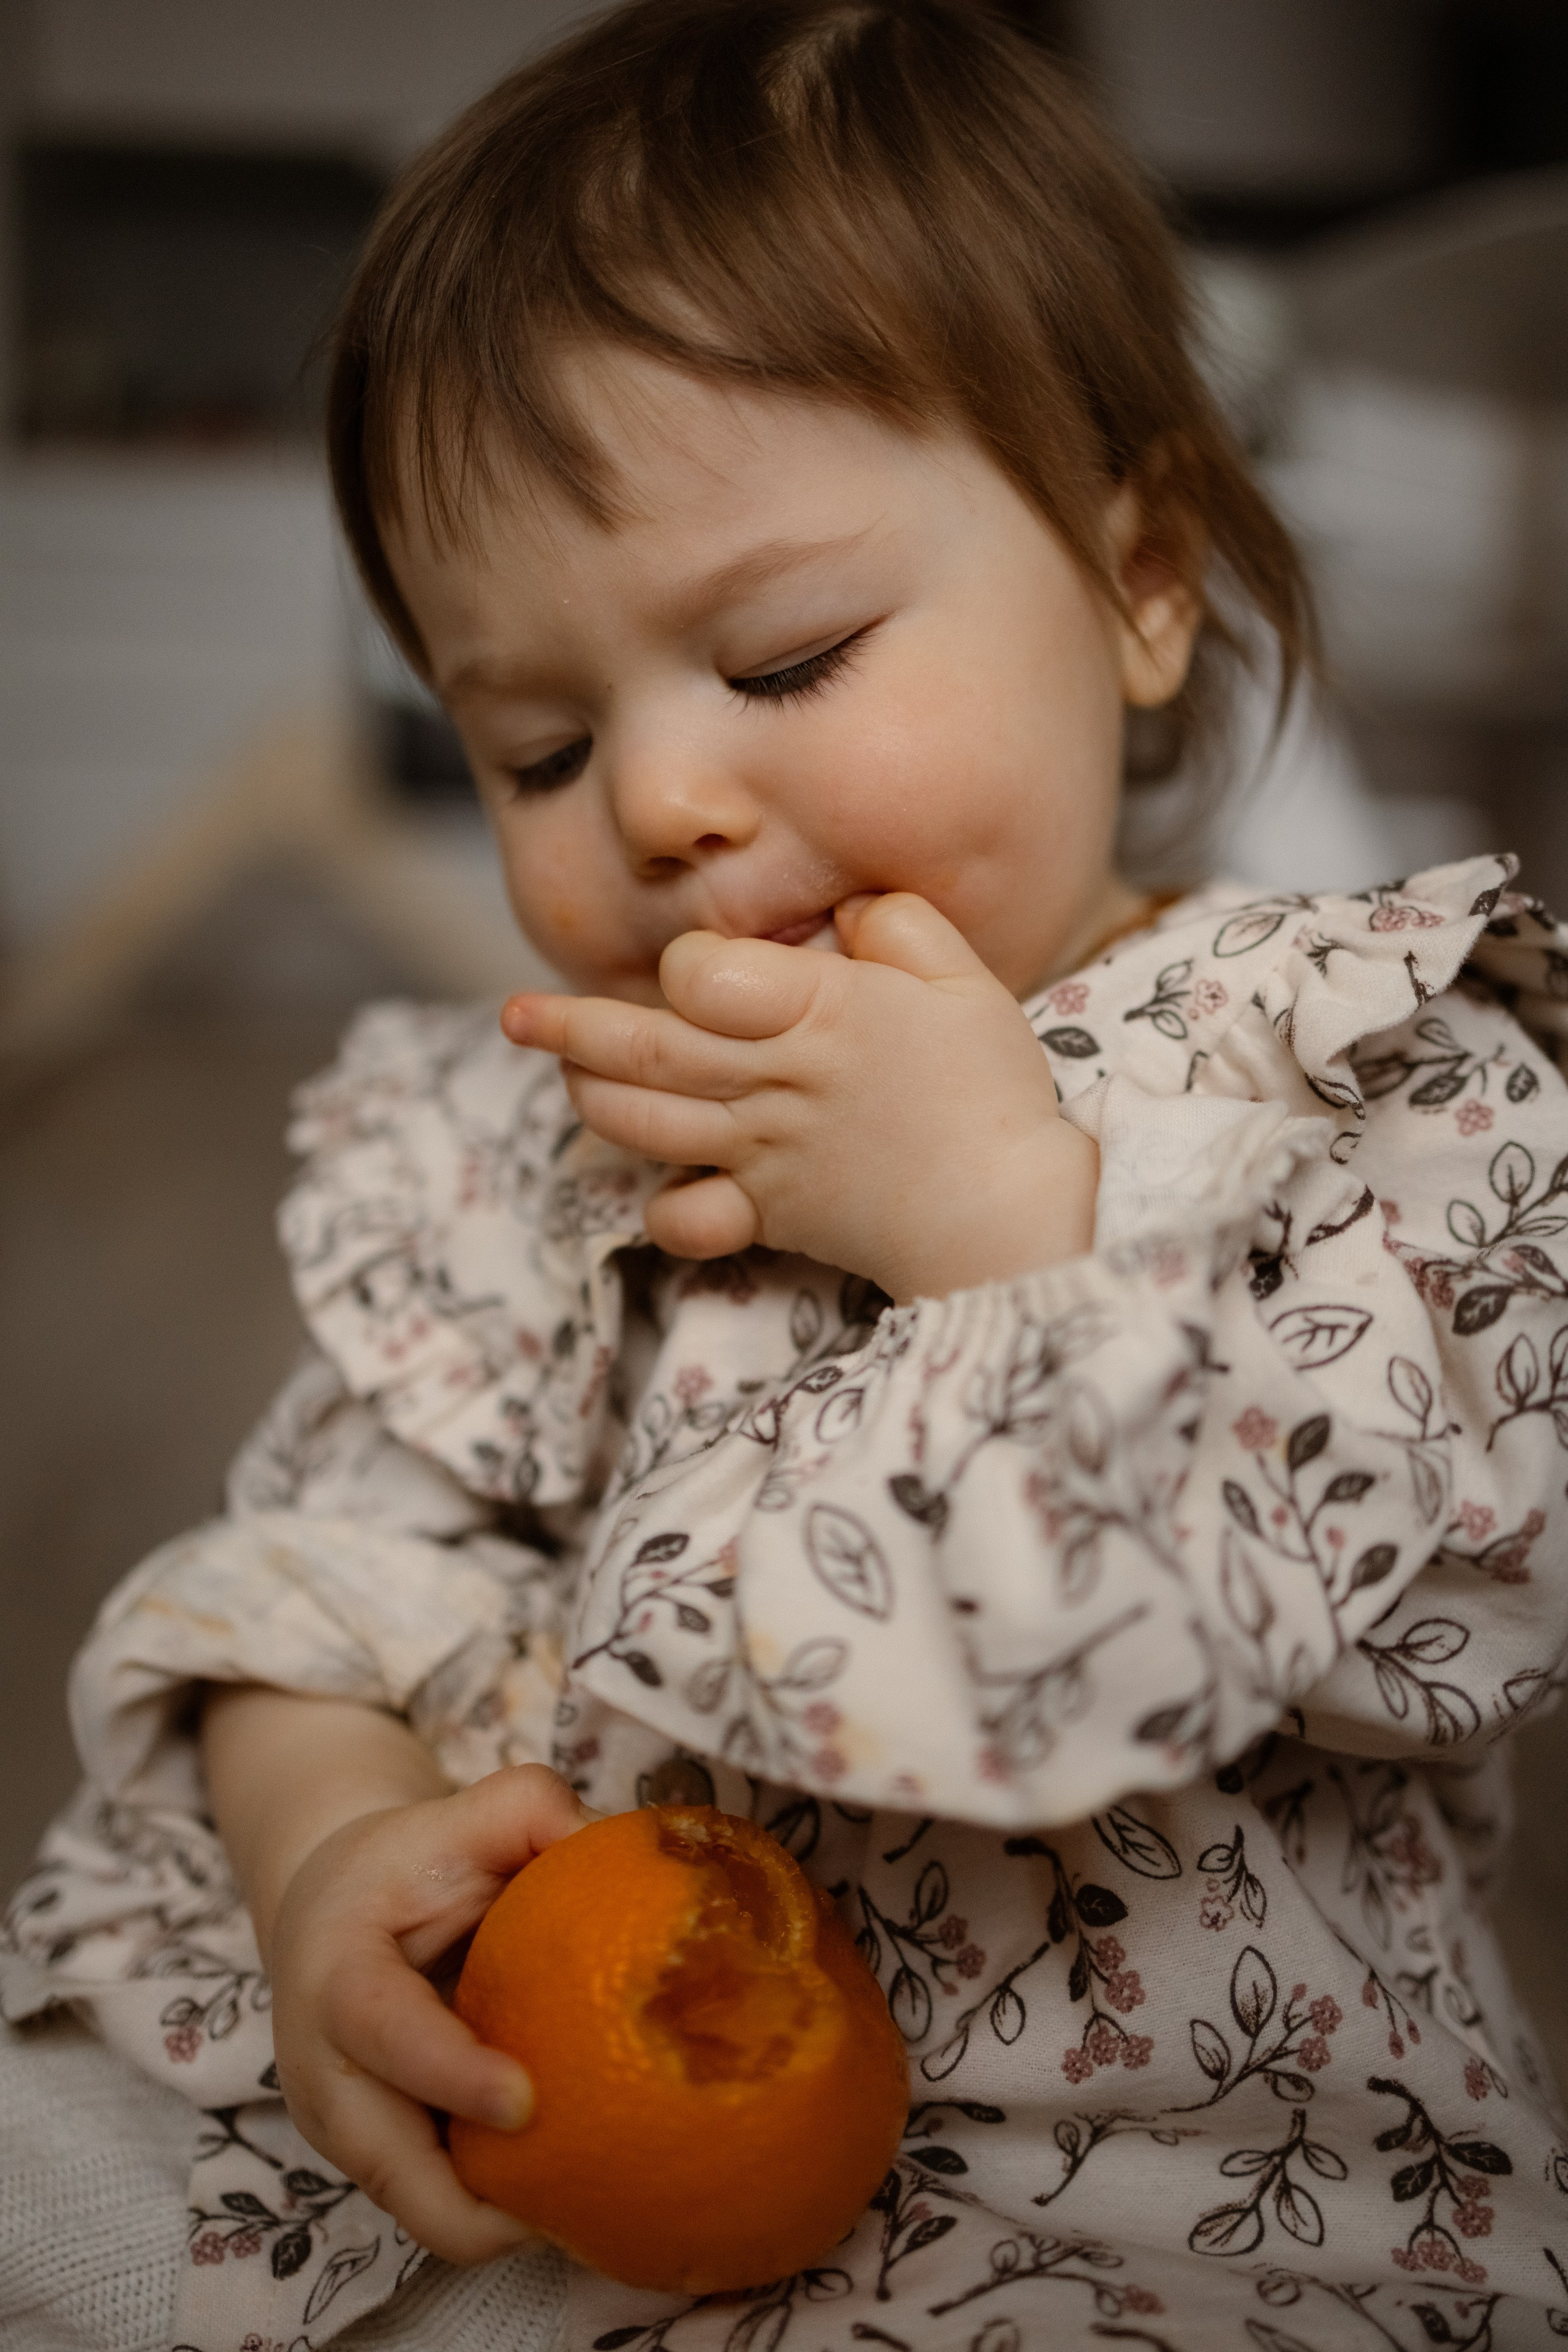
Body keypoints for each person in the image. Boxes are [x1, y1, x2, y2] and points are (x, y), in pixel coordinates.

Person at [6, 2, 1568, 2346]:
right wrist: (328, 1842)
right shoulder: (539, 1132)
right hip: (561, 2112)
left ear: (1141, 578)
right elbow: (321, 1567)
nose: (654, 805)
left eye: (790, 655)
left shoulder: (1350, 1074)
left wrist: (1006, 1233)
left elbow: (1460, 1590)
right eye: (535, 744)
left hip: (1161, 2190)